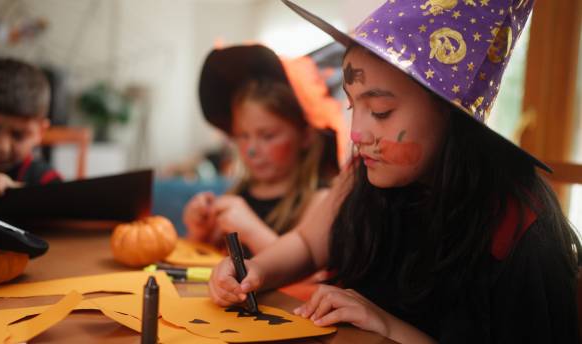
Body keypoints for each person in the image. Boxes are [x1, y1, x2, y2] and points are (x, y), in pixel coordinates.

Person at [208, 1, 581, 343]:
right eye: (354, 107)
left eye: (382, 112)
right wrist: (254, 270)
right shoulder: (364, 173)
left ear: (453, 114)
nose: (356, 135)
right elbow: (308, 244)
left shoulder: (518, 226)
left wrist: (389, 326)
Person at [183, 45, 345, 255]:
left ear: (305, 136)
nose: (251, 150)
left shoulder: (319, 202)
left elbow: (309, 275)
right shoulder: (238, 194)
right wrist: (199, 232)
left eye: (268, 136)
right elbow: (203, 263)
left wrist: (251, 230)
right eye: (243, 135)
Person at [0, 58, 62, 200]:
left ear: (41, 132)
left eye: (18, 135)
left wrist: (18, 194)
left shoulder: (46, 179)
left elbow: (63, 206)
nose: (2, 147)